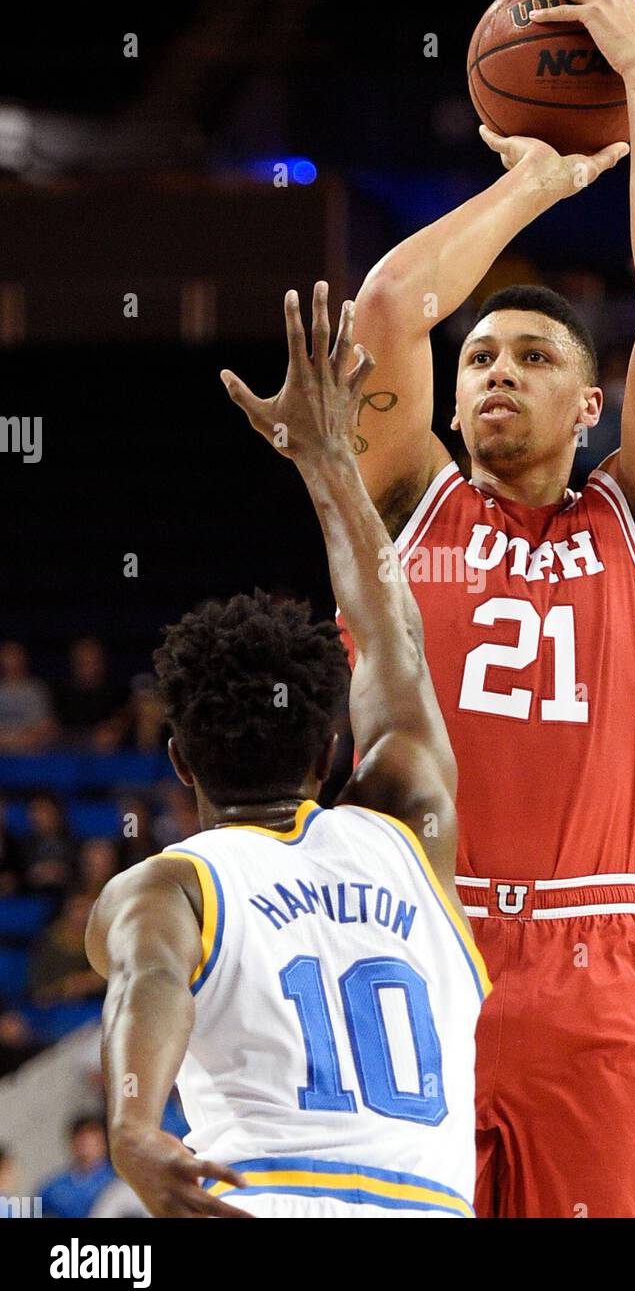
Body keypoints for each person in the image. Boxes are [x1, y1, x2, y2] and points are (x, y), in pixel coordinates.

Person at [233, 0, 635, 1217]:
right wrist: (533, 181)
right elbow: (393, 305)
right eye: (483, 356)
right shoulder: (410, 507)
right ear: (449, 403)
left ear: (590, 405)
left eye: (536, 355)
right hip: (413, 942)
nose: (499, 369)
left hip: (587, 961)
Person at [86, 285, 489, 1219]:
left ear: (180, 759)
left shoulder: (171, 887)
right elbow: (393, 641)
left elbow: (150, 981)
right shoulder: (409, 829)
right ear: (332, 749)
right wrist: (327, 459)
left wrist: (135, 1129)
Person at [37, 1115, 115, 1219]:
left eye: (92, 1138)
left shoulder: (116, 1181)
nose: (86, 1144)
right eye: (81, 1139)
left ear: (103, 1142)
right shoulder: (55, 1186)